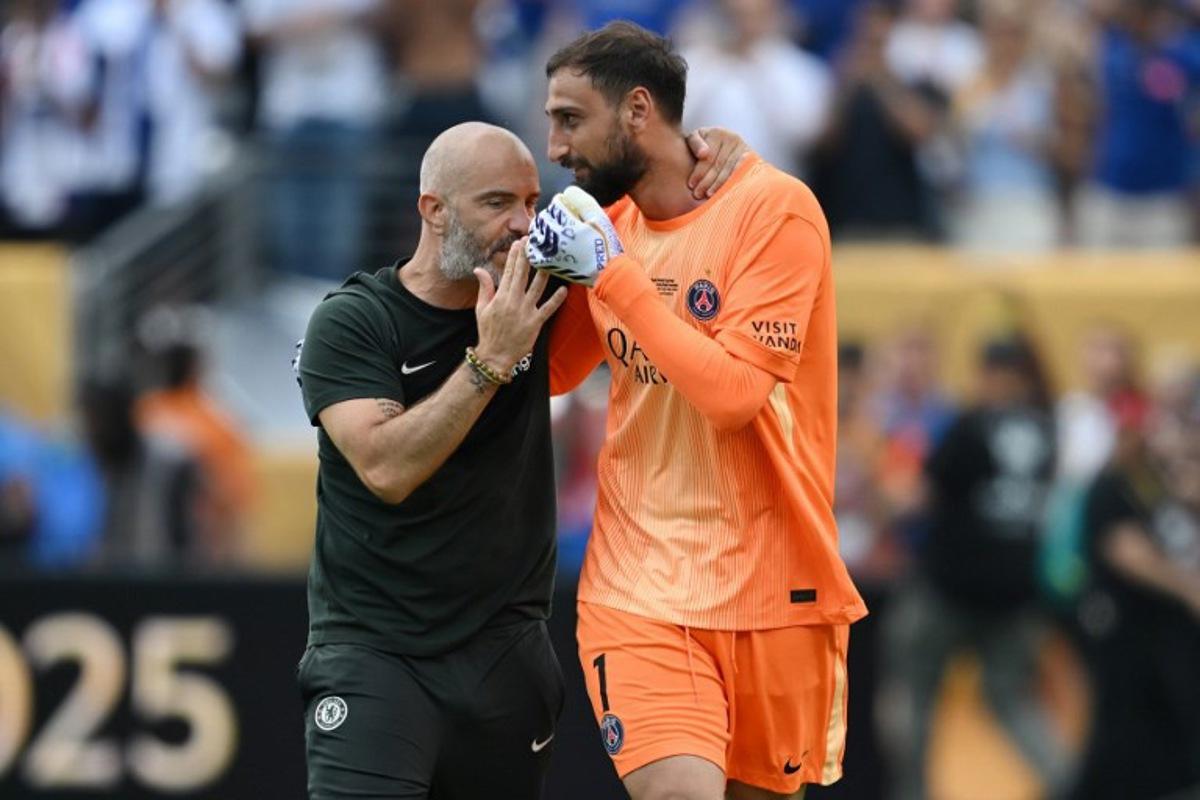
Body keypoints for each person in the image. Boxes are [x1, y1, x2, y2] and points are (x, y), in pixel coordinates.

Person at [293, 119, 749, 799]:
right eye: (497, 203)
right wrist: (492, 360)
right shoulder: (357, 321)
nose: (522, 224)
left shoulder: (543, 290)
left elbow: (647, 221)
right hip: (377, 652)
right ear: (433, 210)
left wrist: (718, 158)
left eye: (532, 202)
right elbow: (386, 469)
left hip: (506, 652)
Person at [528, 22, 867, 800]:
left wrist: (613, 280)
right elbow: (552, 372)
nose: (556, 148)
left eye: (570, 119)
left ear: (638, 111)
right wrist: (521, 278)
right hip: (639, 590)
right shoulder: (605, 233)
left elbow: (734, 397)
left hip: (776, 588)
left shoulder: (775, 212)